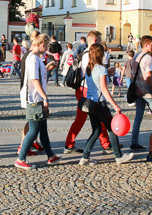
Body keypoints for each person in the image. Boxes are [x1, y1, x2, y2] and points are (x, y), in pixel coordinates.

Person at [80, 43, 134, 165]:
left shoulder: (88, 68)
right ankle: (118, 156)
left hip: (91, 103)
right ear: (101, 54)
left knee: (96, 131)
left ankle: (85, 157)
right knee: (112, 129)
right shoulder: (101, 69)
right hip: (100, 104)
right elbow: (104, 90)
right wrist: (115, 105)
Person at [15, 33, 61, 170]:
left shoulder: (35, 58)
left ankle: (51, 156)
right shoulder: (33, 59)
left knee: (43, 129)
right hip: (34, 99)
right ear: (42, 44)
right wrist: (45, 97)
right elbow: (34, 80)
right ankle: (20, 158)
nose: (46, 48)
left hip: (36, 98)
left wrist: (47, 68)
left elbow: (36, 76)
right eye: (46, 45)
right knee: (34, 131)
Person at [64, 31, 113, 154]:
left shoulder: (83, 54)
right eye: (100, 40)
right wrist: (107, 72)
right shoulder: (91, 55)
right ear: (96, 41)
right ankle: (106, 145)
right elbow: (95, 74)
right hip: (88, 90)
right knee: (97, 118)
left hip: (81, 89)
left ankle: (70, 144)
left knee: (83, 118)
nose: (102, 43)